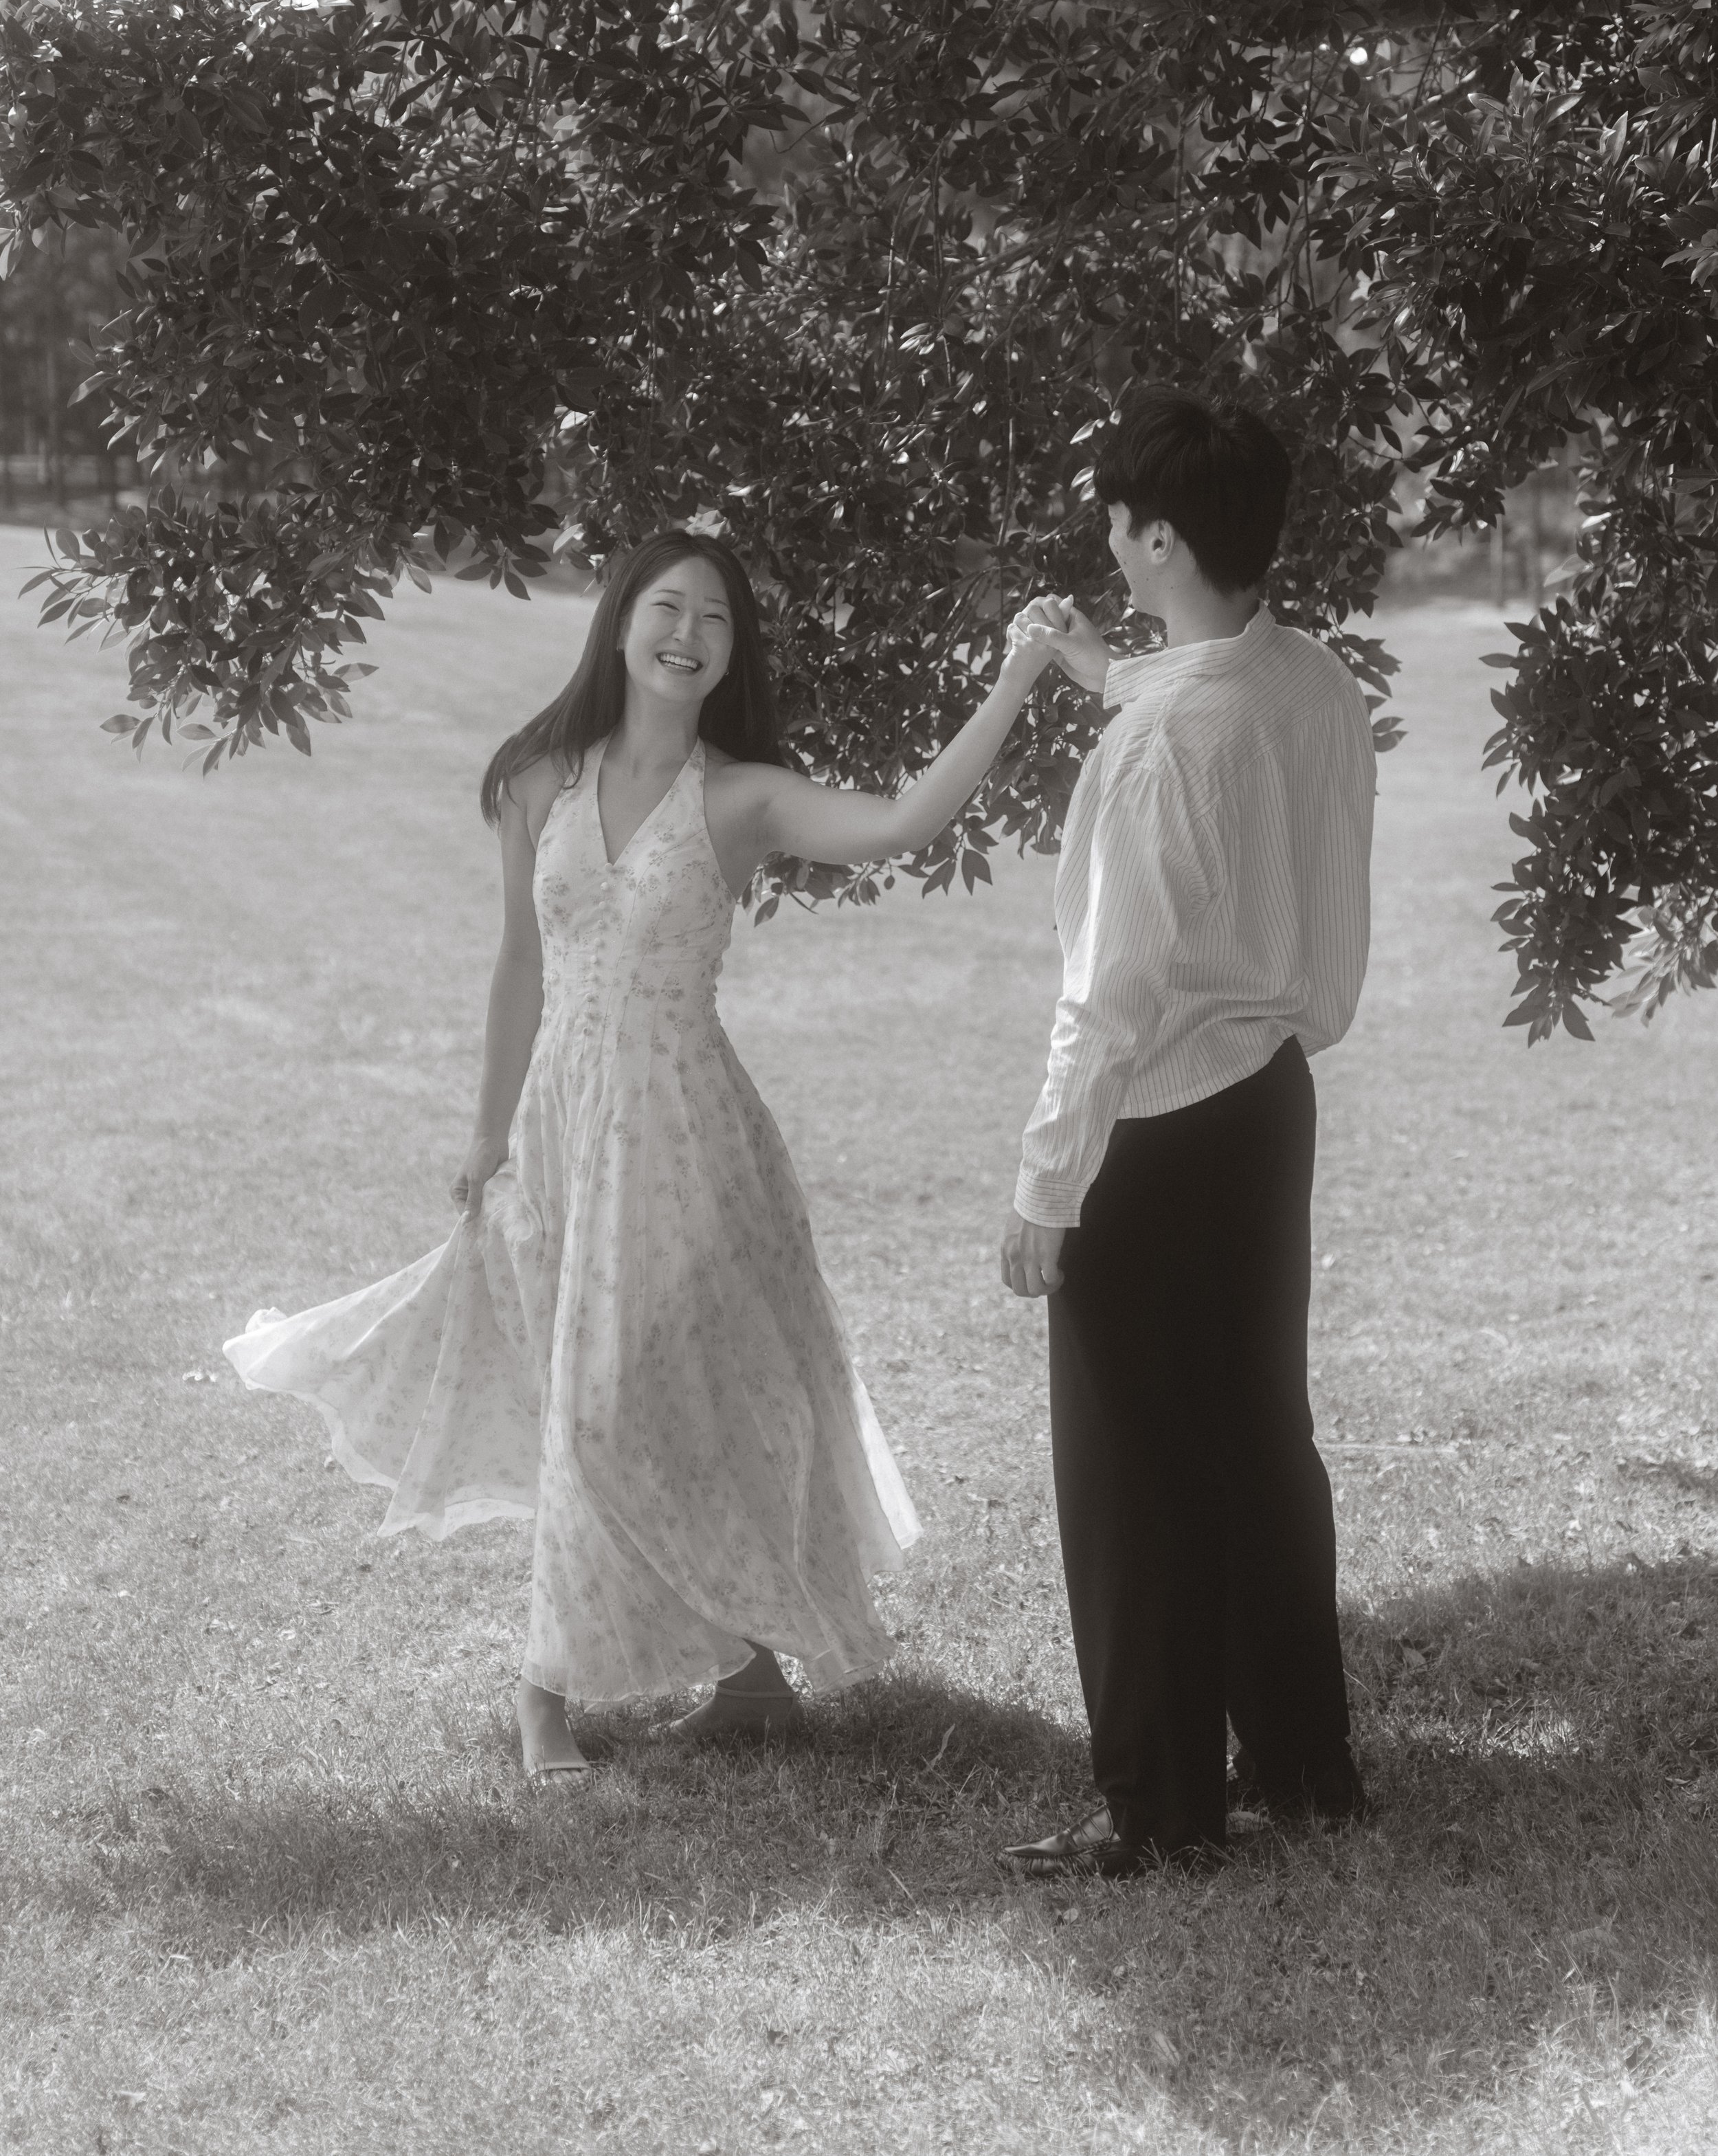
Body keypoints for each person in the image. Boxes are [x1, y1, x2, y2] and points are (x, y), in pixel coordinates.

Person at [227, 529, 1064, 1777]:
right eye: (668, 607)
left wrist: (1012, 679)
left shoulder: (741, 797)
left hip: (687, 1140)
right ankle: (751, 1682)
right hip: (563, 1128)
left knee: (628, 1406)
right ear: (620, 621)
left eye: (716, 619)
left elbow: (900, 824)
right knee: (614, 1401)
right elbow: (520, 960)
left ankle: (544, 1694)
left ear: (732, 654)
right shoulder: (536, 780)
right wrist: (487, 1127)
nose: (688, 633)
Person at [995, 390, 1376, 1876]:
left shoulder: (1161, 743)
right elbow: (1209, 713)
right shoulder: (1313, 684)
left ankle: (1158, 1809)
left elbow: (1105, 996)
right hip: (1266, 1102)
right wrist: (1102, 669)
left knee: (1132, 1469)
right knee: (1256, 1436)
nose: (1102, 534)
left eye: (1112, 517)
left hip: (1151, 1130)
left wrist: (1046, 1184)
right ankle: (1301, 1763)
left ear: (1157, 537)